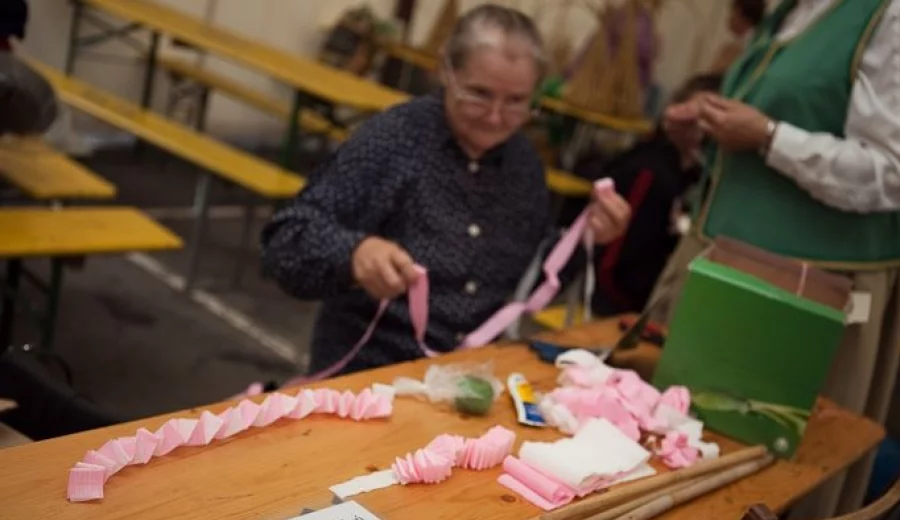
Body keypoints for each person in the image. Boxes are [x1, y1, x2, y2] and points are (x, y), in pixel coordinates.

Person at [651, 0, 900, 520]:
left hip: (805, 297)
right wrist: (704, 134)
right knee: (687, 465)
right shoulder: (794, 9)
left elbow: (898, 170)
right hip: (736, 273)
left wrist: (767, 136)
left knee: (764, 493)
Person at [260, 4, 631, 377]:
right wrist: (354, 253)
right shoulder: (392, 141)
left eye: (517, 101)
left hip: (470, 377)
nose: (496, 117)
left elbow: (526, 280)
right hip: (370, 372)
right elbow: (285, 243)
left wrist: (587, 238)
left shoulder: (525, 165)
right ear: (446, 71)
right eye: (479, 94)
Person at [567, 73, 723, 317]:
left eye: (710, 120)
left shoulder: (698, 175)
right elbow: (613, 256)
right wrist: (626, 304)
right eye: (693, 116)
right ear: (674, 111)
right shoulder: (649, 172)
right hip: (618, 303)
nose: (699, 128)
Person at [708, 0, 766, 75]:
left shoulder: (739, 50)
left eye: (732, 11)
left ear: (739, 12)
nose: (728, 18)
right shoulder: (756, 43)